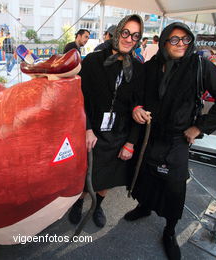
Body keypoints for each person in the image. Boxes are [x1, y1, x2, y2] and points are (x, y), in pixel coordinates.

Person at [126, 22, 216, 260]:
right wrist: (136, 107)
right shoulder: (150, 67)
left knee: (174, 187)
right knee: (145, 177)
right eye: (174, 39)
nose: (180, 44)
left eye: (185, 39)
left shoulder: (200, 66)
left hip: (178, 140)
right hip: (150, 137)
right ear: (164, 42)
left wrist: (200, 127)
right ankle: (144, 207)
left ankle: (169, 230)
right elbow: (135, 94)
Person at [68, 15, 144, 228]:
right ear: (118, 32)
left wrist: (130, 142)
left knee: (108, 177)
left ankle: (97, 205)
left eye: (135, 35)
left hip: (119, 133)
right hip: (93, 130)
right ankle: (78, 203)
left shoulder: (138, 69)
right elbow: (78, 97)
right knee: (86, 174)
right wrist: (87, 128)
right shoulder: (93, 60)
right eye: (126, 33)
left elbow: (139, 104)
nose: (129, 39)